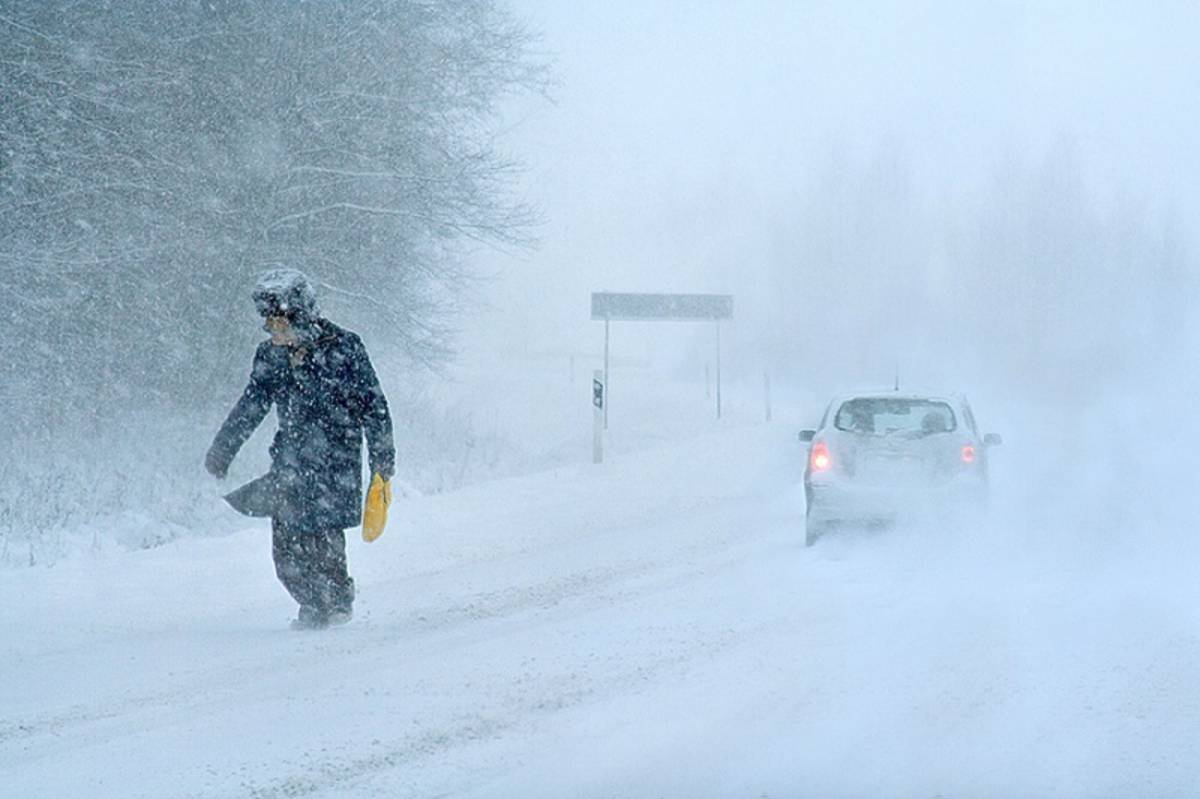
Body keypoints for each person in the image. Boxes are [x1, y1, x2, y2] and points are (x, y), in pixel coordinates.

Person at [205, 268, 394, 629]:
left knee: (323, 539)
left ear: (302, 316)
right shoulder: (270, 356)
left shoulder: (345, 348)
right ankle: (311, 603)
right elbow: (252, 405)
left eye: (281, 323)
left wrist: (382, 464)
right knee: (286, 550)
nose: (274, 331)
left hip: (336, 461)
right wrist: (223, 448)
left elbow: (375, 408)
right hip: (289, 462)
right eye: (269, 324)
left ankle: (336, 601)